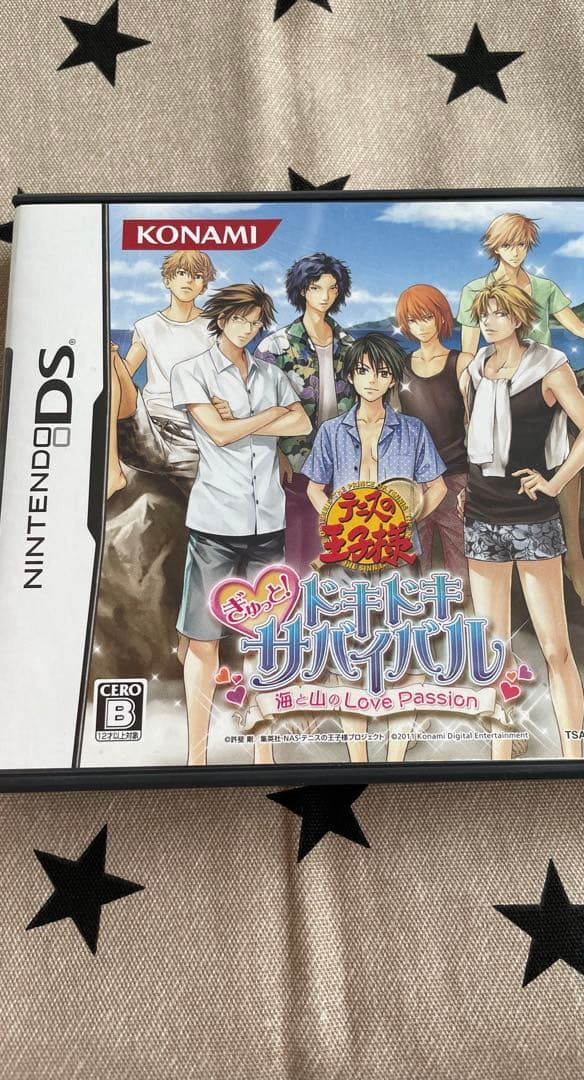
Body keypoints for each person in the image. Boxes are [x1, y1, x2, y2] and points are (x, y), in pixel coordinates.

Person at [457, 212, 584, 607]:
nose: (515, 252)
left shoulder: (543, 287)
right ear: (494, 248)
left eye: (521, 244)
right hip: (499, 387)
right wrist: (469, 393)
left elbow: (579, 328)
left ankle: (575, 558)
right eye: (507, 244)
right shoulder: (477, 291)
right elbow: (469, 352)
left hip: (549, 381)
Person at [457, 283, 584, 760]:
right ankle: (500, 756)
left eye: (499, 314)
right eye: (484, 314)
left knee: (556, 649)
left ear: (520, 318)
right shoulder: (474, 369)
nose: (488, 322)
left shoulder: (549, 366)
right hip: (481, 514)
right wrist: (466, 488)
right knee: (492, 646)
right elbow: (472, 439)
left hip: (532, 518)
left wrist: (555, 483)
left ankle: (574, 757)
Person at [169, 283, 312, 766]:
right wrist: (269, 416)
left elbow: (302, 425)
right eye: (240, 319)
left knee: (262, 641)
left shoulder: (272, 374)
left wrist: (247, 419)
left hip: (268, 521)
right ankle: (196, 758)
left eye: (255, 322)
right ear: (221, 318)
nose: (248, 329)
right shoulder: (192, 370)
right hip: (215, 523)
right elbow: (218, 433)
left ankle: (263, 755)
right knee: (203, 641)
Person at [302, 333, 447, 764]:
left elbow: (436, 488)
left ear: (392, 379)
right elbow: (314, 488)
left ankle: (396, 759)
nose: (371, 380)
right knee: (347, 657)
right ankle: (359, 760)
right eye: (363, 371)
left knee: (405, 654)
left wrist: (402, 522)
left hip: (399, 555)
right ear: (350, 375)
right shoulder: (331, 431)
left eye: (382, 372)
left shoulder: (413, 430)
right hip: (345, 560)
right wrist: (341, 524)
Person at [254, 252, 355, 574]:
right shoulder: (276, 347)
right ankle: (297, 600)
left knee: (342, 541)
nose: (325, 296)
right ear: (302, 290)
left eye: (332, 288)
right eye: (316, 288)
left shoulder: (349, 345)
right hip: (295, 459)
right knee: (298, 544)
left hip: (343, 461)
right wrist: (277, 454)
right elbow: (260, 411)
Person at [108, 249, 216, 499]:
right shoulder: (147, 326)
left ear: (204, 286)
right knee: (111, 357)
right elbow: (127, 370)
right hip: (149, 423)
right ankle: (113, 471)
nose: (188, 280)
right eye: (182, 273)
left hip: (192, 430)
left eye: (197, 276)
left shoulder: (213, 327)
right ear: (168, 280)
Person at [396, 284, 472, 595]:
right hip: (414, 481)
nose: (421, 326)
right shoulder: (400, 367)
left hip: (457, 474)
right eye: (413, 320)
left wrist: (474, 482)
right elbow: (395, 426)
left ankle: (467, 620)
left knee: (462, 566)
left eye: (427, 317)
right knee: (415, 565)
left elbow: (475, 423)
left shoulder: (462, 362)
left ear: (441, 317)